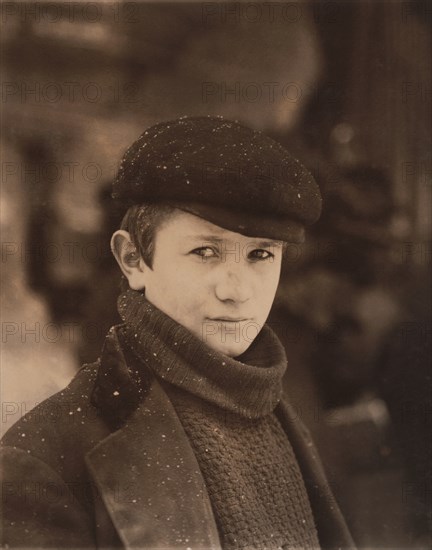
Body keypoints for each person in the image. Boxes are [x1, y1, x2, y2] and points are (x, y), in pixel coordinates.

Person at [1, 116, 355, 549]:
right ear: (132, 259)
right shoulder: (46, 456)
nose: (236, 290)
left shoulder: (284, 408)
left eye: (261, 254)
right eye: (204, 251)